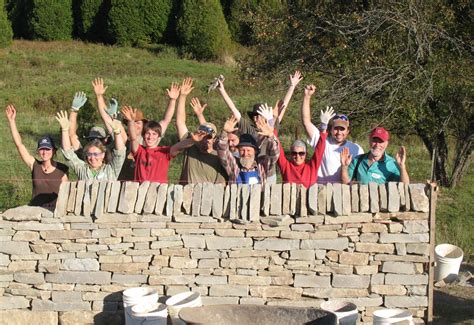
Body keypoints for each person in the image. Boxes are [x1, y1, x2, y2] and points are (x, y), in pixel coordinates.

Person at [216, 71, 303, 183]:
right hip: (245, 166)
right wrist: (222, 90)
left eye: (260, 116)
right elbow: (234, 111)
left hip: (266, 169)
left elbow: (282, 108)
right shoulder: (248, 128)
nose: (257, 119)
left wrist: (292, 86)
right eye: (255, 116)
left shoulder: (270, 125)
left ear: (266, 117)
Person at [296, 84, 364, 184]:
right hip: (322, 192)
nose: (339, 132)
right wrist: (307, 96)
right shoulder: (322, 142)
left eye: (342, 129)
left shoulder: (356, 149)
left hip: (344, 193)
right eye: (336, 128)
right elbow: (306, 122)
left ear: (348, 131)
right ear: (331, 129)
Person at [5, 105, 68, 208]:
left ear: (53, 151)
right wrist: (12, 121)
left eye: (47, 149)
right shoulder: (34, 165)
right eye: (41, 149)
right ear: (38, 151)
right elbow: (19, 145)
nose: (44, 152)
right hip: (35, 212)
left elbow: (66, 193)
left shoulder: (62, 169)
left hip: (54, 213)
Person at [121, 106, 204, 183]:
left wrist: (192, 140)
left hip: (158, 194)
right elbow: (133, 138)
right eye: (148, 134)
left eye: (154, 134)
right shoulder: (139, 151)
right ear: (143, 135)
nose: (150, 137)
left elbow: (179, 146)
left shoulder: (164, 152)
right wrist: (131, 122)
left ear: (159, 137)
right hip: (139, 193)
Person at [175, 77, 227, 184]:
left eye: (208, 137)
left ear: (214, 139)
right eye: (202, 136)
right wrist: (183, 96)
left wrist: (200, 115)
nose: (205, 140)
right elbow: (180, 122)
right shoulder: (190, 147)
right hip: (187, 197)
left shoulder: (218, 156)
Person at [56, 110, 126, 181]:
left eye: (96, 154)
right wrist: (64, 130)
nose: (92, 157)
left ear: (103, 155)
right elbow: (68, 153)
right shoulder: (82, 168)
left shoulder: (111, 169)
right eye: (89, 154)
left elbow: (120, 153)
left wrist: (117, 131)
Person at [276, 107, 334, 188]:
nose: (298, 156)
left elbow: (319, 150)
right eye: (294, 153)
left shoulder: (311, 167)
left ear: (306, 154)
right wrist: (272, 128)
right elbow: (276, 146)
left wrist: (324, 127)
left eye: (301, 153)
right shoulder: (286, 167)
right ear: (291, 154)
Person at [217, 115, 279, 185]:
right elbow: (222, 151)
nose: (245, 153)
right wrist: (224, 132)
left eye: (248, 150)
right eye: (242, 150)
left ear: (255, 151)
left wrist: (270, 135)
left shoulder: (262, 165)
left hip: (258, 196)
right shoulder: (234, 165)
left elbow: (274, 154)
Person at [341, 127, 409, 184]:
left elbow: (405, 186)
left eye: (381, 141)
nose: (377, 145)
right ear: (369, 140)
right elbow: (346, 183)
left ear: (386, 143)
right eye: (374, 140)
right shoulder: (357, 160)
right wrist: (344, 167)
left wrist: (402, 166)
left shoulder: (392, 164)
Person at [67, 91, 113, 162]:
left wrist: (99, 96)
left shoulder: (110, 155)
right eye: (91, 139)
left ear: (105, 141)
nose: (95, 142)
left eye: (98, 140)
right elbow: (72, 135)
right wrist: (74, 110)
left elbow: (115, 132)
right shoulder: (84, 155)